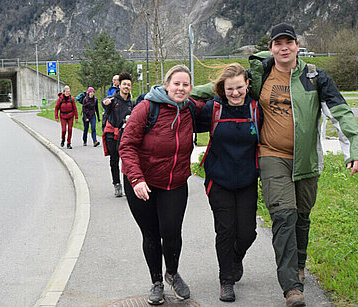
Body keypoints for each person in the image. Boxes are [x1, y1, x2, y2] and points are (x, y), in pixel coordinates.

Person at [249, 23, 358, 307]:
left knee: (302, 217)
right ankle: (292, 287)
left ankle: (299, 264)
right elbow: (227, 87)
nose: (284, 47)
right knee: (284, 216)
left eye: (289, 42)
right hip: (271, 155)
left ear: (297, 47)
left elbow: (340, 112)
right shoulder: (259, 74)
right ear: (271, 48)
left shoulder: (314, 77)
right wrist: (176, 91)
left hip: (306, 161)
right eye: (278, 43)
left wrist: (355, 150)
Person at [119, 65, 204, 305]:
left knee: (172, 232)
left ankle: (172, 274)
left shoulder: (190, 109)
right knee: (151, 234)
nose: (180, 88)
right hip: (142, 184)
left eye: (185, 84)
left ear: (190, 88)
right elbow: (126, 145)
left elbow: (217, 102)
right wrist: (136, 179)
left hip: (174, 182)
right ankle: (156, 282)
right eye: (176, 83)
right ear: (166, 85)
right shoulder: (146, 108)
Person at [193, 63, 261, 302]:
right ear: (223, 89)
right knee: (225, 230)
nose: (235, 93)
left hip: (246, 180)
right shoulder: (213, 109)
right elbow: (182, 119)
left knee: (247, 232)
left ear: (247, 85)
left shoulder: (255, 109)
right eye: (230, 89)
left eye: (239, 88)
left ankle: (235, 259)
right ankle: (226, 280)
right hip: (218, 180)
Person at [102, 72, 134, 197]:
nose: (126, 86)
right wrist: (105, 102)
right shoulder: (112, 100)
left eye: (129, 85)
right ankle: (116, 184)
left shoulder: (132, 104)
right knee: (114, 160)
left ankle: (128, 187)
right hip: (112, 135)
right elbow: (104, 102)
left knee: (127, 161)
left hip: (126, 136)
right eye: (124, 84)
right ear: (119, 86)